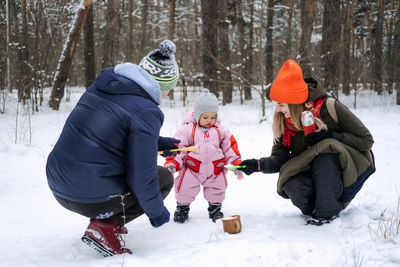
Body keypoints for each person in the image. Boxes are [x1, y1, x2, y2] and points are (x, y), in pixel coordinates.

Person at [46, 40, 181, 256]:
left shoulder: (102, 87)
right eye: (168, 90)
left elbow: (110, 136)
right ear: (161, 86)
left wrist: (158, 142)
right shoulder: (147, 109)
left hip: (58, 183)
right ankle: (105, 225)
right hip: (87, 194)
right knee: (163, 178)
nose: (166, 95)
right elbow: (142, 174)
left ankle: (107, 218)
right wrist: (157, 213)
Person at [239, 59, 376, 225]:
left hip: (346, 173)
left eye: (281, 105)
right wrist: (257, 165)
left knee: (326, 149)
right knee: (291, 183)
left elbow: (366, 141)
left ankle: (327, 213)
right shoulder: (286, 123)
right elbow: (280, 159)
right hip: (312, 174)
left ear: (294, 103)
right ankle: (316, 210)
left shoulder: (329, 108)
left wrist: (331, 135)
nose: (277, 110)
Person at [164, 89, 243, 223]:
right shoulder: (188, 130)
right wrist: (173, 163)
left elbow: (230, 148)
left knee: (217, 188)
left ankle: (215, 209)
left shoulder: (221, 130)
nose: (209, 121)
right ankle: (182, 208)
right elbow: (178, 148)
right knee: (185, 188)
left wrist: (236, 163)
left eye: (213, 117)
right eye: (205, 117)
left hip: (215, 168)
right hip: (193, 168)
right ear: (197, 115)